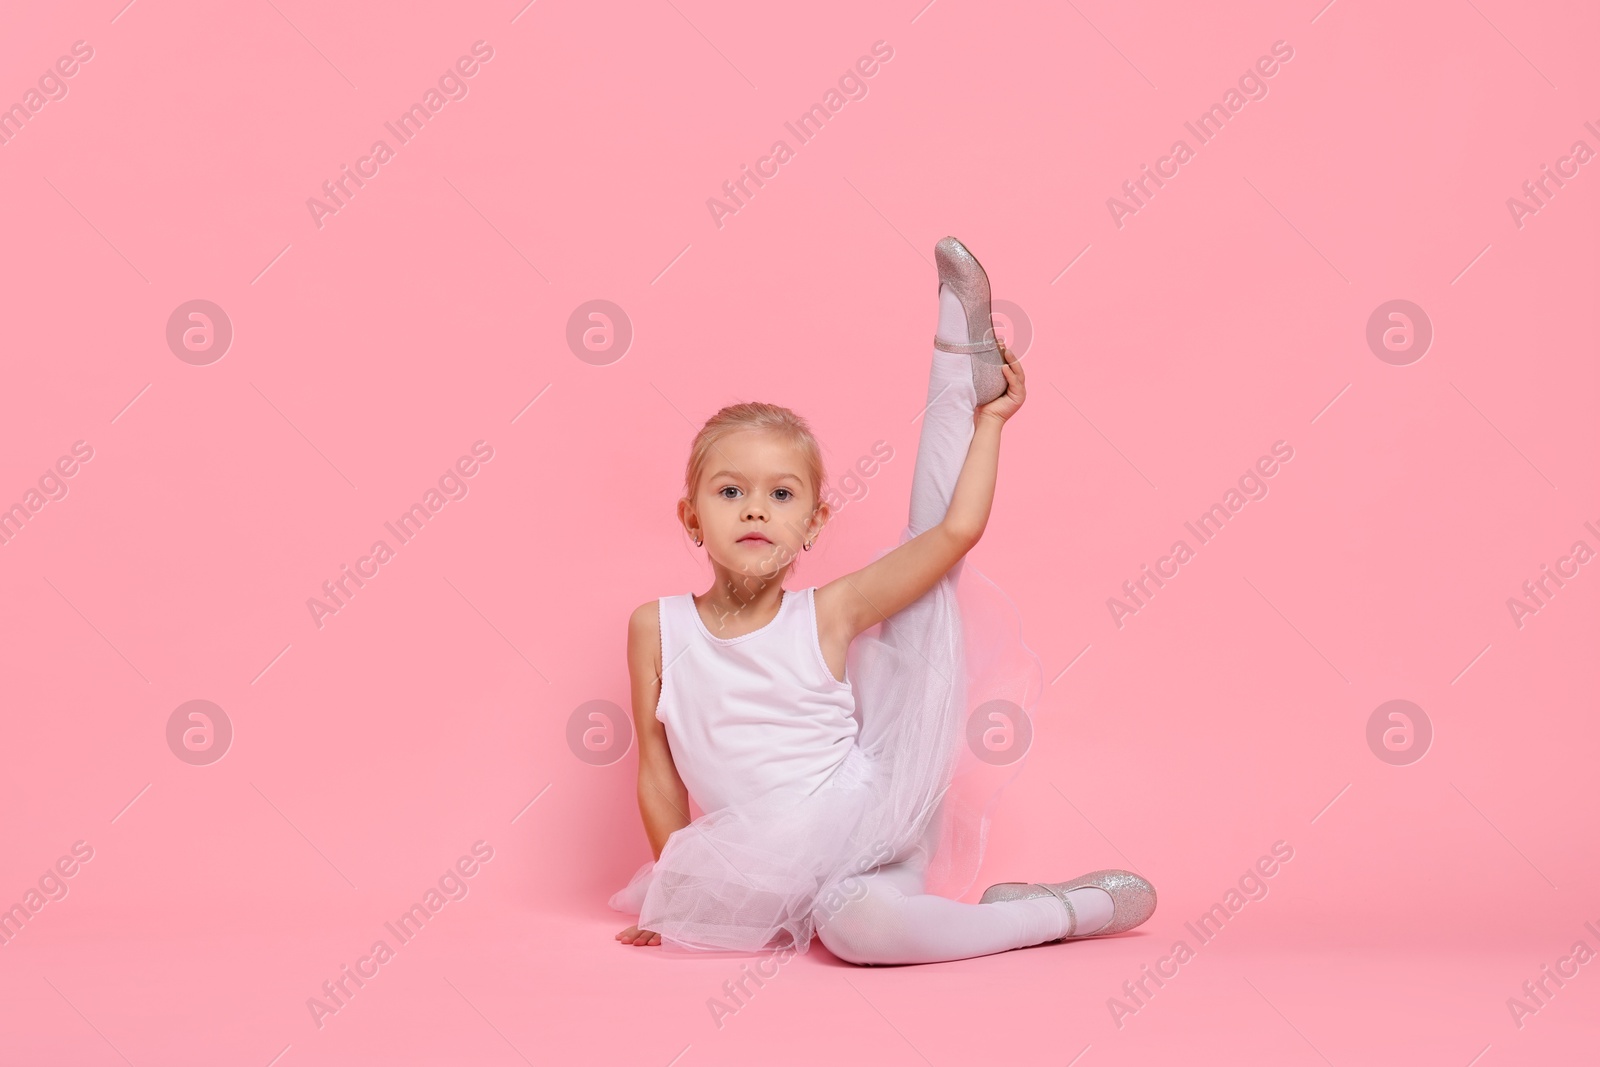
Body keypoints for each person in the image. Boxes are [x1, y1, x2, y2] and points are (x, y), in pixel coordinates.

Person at [610, 237, 1156, 965]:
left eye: (781, 495)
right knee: (854, 925)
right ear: (691, 518)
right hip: (768, 862)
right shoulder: (657, 627)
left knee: (926, 567)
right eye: (730, 491)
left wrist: (993, 426)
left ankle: (959, 365)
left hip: (876, 815)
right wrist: (670, 892)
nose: (754, 510)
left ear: (812, 524)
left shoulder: (826, 613)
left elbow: (959, 532)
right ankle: (1026, 907)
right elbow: (656, 769)